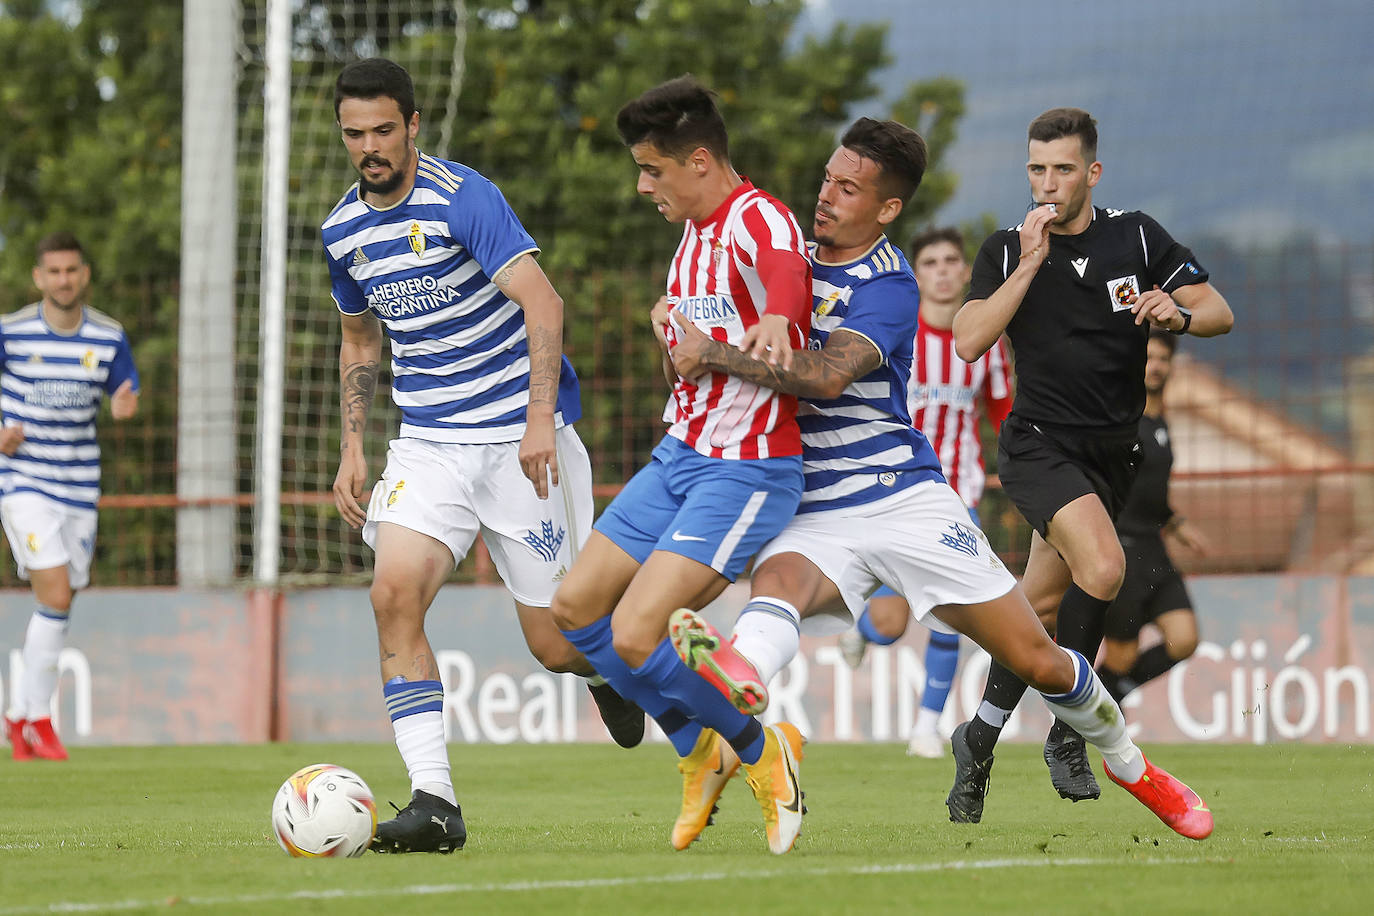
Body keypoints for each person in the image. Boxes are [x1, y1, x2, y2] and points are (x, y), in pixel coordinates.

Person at [662, 117, 1213, 842]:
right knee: (780, 587)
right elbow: (704, 308)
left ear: (887, 209)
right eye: (827, 178)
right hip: (814, 497)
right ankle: (737, 682)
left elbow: (826, 377)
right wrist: (674, 320)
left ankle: (1130, 764)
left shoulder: (889, 285)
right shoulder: (782, 256)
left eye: (847, 188)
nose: (825, 196)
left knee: (1038, 658)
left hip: (903, 497)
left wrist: (719, 353)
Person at [321, 58, 641, 854]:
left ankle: (606, 670)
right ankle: (435, 804)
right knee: (392, 595)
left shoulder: (466, 197)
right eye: (356, 133)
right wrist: (354, 445)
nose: (371, 147)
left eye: (385, 130)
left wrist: (539, 419)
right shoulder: (341, 231)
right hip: (428, 444)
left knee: (557, 642)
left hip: (518, 443)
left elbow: (544, 302)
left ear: (414, 126)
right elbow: (359, 336)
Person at [549, 75, 814, 856]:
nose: (642, 185)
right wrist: (670, 330)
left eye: (652, 169)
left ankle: (765, 751)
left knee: (635, 632)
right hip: (681, 454)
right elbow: (692, 365)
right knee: (575, 614)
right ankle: (698, 750)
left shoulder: (756, 217)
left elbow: (789, 291)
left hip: (746, 469)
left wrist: (772, 318)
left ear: (699, 160)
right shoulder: (692, 241)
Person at [946, 107, 1233, 818]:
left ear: (1092, 172)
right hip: (1040, 445)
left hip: (1113, 453)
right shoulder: (1008, 250)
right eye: (1037, 169)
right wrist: (1032, 261)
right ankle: (1072, 730)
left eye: (1063, 169)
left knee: (1037, 605)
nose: (1048, 183)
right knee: (1103, 568)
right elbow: (968, 340)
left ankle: (977, 739)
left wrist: (1179, 314)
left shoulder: (1135, 235)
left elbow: (1219, 309)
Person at [836, 226, 1013, 758]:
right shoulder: (894, 333)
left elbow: (1004, 418)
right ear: (917, 273)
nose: (940, 270)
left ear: (964, 272)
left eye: (949, 261)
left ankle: (926, 728)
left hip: (960, 499)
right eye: (929, 261)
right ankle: (863, 632)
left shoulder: (986, 343)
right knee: (890, 625)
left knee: (955, 612)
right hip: (894, 493)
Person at [2, 232, 140, 762]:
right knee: (56, 594)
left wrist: (125, 408)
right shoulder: (11, 332)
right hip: (23, 482)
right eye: (53, 271)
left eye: (71, 270)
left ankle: (18, 719)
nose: (63, 279)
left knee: (59, 600)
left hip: (79, 486)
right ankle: (39, 721)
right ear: (38, 277)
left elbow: (125, 391)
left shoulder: (107, 336)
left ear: (84, 275)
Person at [1097, 329, 1206, 702]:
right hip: (1123, 549)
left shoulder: (1161, 423)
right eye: (1149, 358)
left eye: (1163, 358)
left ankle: (1112, 695)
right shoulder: (1124, 422)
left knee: (1184, 638)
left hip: (1154, 548)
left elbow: (1149, 490)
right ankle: (1082, 720)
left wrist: (1175, 522)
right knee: (1121, 656)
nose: (1156, 366)